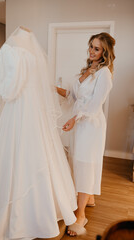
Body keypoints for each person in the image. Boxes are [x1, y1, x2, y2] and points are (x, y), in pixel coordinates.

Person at [0, 26, 77, 240]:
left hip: (19, 108)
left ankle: (18, 212)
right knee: (38, 153)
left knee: (14, 152)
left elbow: (8, 89)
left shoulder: (10, 49)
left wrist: (6, 90)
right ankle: (43, 210)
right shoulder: (37, 53)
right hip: (35, 111)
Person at [57, 32, 115, 236]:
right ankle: (88, 197)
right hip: (78, 124)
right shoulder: (87, 70)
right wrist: (49, 88)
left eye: (97, 48)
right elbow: (73, 96)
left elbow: (93, 104)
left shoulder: (104, 74)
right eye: (91, 46)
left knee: (85, 163)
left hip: (90, 125)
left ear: (104, 52)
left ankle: (81, 214)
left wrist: (74, 119)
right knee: (78, 161)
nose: (91, 51)